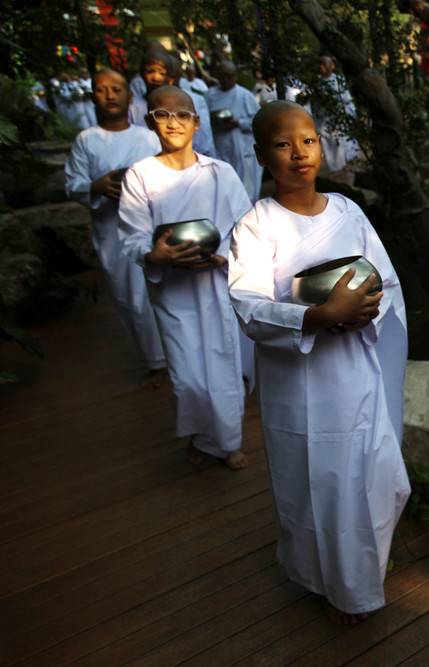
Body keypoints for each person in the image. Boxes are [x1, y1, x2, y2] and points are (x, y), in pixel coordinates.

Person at [228, 101, 409, 625]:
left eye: (307, 140)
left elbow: (387, 279)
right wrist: (317, 316)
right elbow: (250, 306)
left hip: (358, 367)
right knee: (318, 484)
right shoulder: (255, 226)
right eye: (283, 144)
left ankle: (359, 572)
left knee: (372, 476)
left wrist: (364, 309)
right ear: (262, 156)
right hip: (302, 386)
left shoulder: (347, 211)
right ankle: (332, 584)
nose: (299, 153)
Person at [118, 85, 252, 471]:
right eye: (162, 115)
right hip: (172, 292)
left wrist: (222, 255)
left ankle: (227, 442)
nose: (172, 122)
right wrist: (153, 254)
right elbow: (133, 234)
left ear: (196, 123)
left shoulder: (220, 173)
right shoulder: (140, 176)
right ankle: (199, 434)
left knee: (223, 364)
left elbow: (244, 226)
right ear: (149, 122)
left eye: (181, 115)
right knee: (186, 372)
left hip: (215, 286)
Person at [64, 69, 167, 389]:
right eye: (101, 90)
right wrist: (96, 186)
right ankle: (153, 359)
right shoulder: (86, 140)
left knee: (157, 295)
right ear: (93, 96)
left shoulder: (149, 138)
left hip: (152, 227)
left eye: (116, 89)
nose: (109, 95)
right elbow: (72, 184)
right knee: (130, 301)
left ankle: (165, 359)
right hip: (112, 233)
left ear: (130, 97)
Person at [206, 61, 263, 201]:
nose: (225, 79)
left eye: (228, 76)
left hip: (242, 148)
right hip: (221, 146)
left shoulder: (244, 95)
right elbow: (203, 119)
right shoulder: (210, 95)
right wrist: (213, 121)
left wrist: (238, 123)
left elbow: (258, 120)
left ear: (235, 77)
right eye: (221, 76)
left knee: (246, 187)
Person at [314, 56, 360, 184]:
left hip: (338, 118)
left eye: (324, 64)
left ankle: (344, 165)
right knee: (328, 144)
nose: (322, 68)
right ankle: (333, 169)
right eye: (320, 65)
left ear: (331, 66)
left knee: (340, 142)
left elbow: (346, 99)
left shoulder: (338, 81)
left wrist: (350, 114)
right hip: (324, 119)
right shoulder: (318, 82)